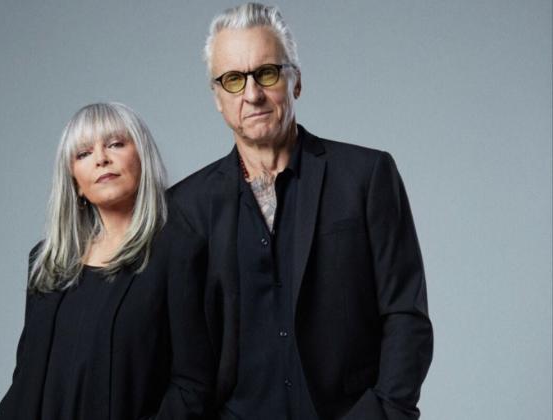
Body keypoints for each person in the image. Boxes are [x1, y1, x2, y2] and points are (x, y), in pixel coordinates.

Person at [169, 3, 433, 419]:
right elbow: (182, 354)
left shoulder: (366, 177)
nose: (252, 94)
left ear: (296, 82)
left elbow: (406, 314)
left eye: (267, 73)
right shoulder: (185, 208)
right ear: (218, 98)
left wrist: (385, 413)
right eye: (233, 80)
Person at [0, 102, 213, 419]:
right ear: (74, 181)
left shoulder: (178, 254)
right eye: (83, 153)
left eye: (115, 144)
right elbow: (25, 380)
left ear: (141, 157)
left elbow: (193, 386)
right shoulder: (46, 262)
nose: (101, 159)